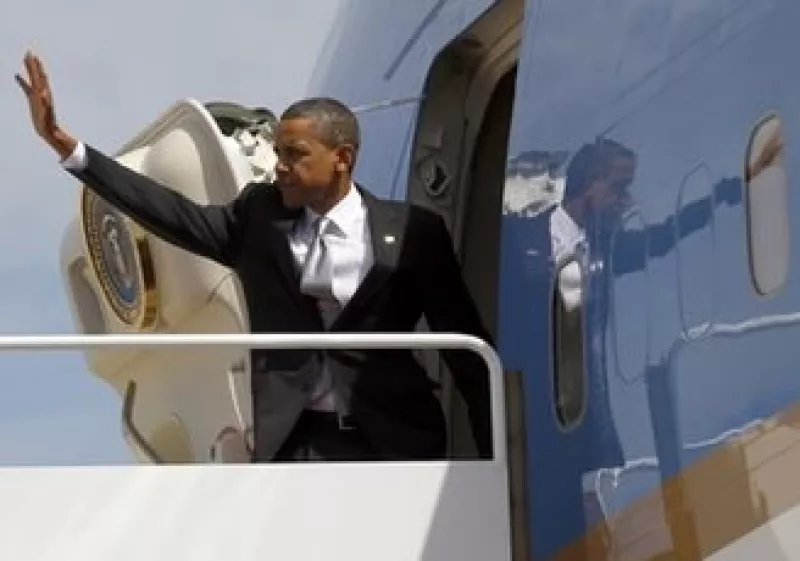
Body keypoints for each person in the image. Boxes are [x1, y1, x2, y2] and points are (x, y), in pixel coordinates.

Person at [15, 51, 493, 462]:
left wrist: (498, 464)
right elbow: (168, 212)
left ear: (342, 157)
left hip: (398, 440)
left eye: (296, 154)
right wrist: (66, 146)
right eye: (278, 152)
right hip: (296, 444)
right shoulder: (259, 217)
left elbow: (469, 351)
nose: (279, 167)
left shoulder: (412, 231)